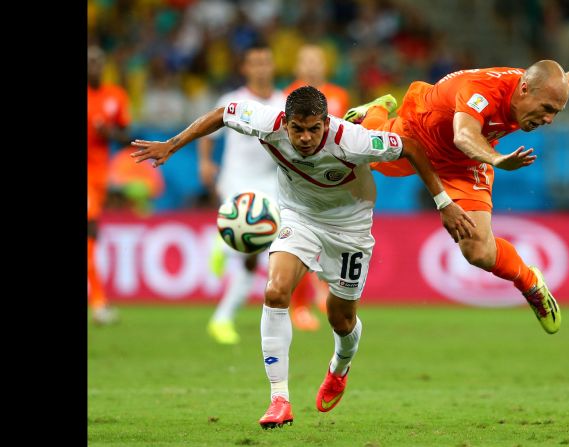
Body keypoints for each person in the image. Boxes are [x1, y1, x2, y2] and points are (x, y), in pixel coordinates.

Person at [130, 86, 475, 429]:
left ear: (327, 123)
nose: (306, 138)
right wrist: (172, 144)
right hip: (299, 217)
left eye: (314, 129)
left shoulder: (352, 140)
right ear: (286, 123)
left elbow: (411, 147)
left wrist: (444, 203)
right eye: (298, 129)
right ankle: (279, 399)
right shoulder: (268, 122)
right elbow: (223, 114)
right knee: (275, 292)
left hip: (350, 228)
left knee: (340, 319)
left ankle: (340, 368)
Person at [345, 26, 569, 335]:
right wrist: (497, 159)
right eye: (546, 109)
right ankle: (379, 106)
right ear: (525, 90)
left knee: (478, 252)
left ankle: (530, 282)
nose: (548, 119)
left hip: (463, 162)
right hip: (417, 134)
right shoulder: (483, 91)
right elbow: (463, 134)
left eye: (555, 113)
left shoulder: (540, 86)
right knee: (364, 150)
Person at [198, 44, 323, 343]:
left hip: (270, 183)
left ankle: (222, 317)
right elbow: (210, 133)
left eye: (266, 63)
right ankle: (226, 244)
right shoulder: (232, 100)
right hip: (236, 181)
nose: (261, 68)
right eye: (255, 63)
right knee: (253, 251)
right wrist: (204, 162)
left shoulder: (284, 102)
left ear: (273, 67)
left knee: (255, 260)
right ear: (245, 68)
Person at [281, 43, 353, 328]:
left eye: (316, 61)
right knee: (300, 243)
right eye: (306, 61)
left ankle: (325, 291)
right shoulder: (286, 96)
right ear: (297, 66)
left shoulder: (339, 95)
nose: (311, 66)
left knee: (331, 242)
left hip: (334, 180)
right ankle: (299, 307)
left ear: (325, 65)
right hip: (301, 180)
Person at [87, 45, 131, 325]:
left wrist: (107, 132)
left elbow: (126, 134)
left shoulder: (116, 96)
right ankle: (99, 301)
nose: (94, 66)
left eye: (97, 61)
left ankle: (99, 300)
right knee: (90, 233)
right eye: (89, 62)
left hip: (100, 175)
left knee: (91, 237)